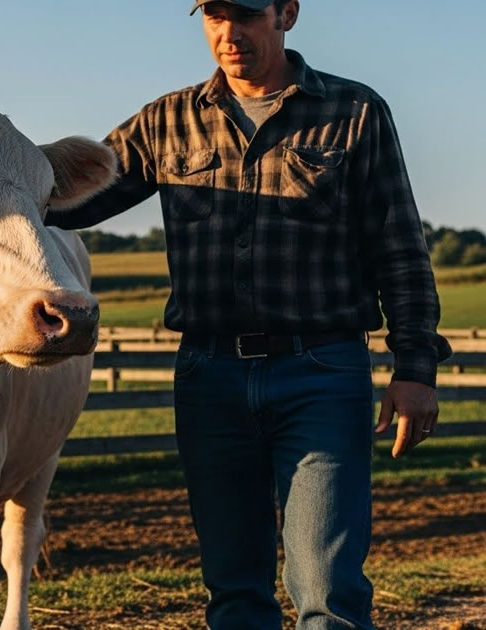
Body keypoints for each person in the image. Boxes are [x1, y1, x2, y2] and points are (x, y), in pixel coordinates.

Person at [45, 0, 452, 628]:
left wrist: (415, 367)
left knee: (329, 591)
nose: (229, 33)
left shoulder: (355, 112)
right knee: (234, 592)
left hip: (321, 370)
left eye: (246, 13)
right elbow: (67, 199)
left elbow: (398, 246)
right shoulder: (167, 120)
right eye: (213, 15)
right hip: (210, 375)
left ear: (286, 12)